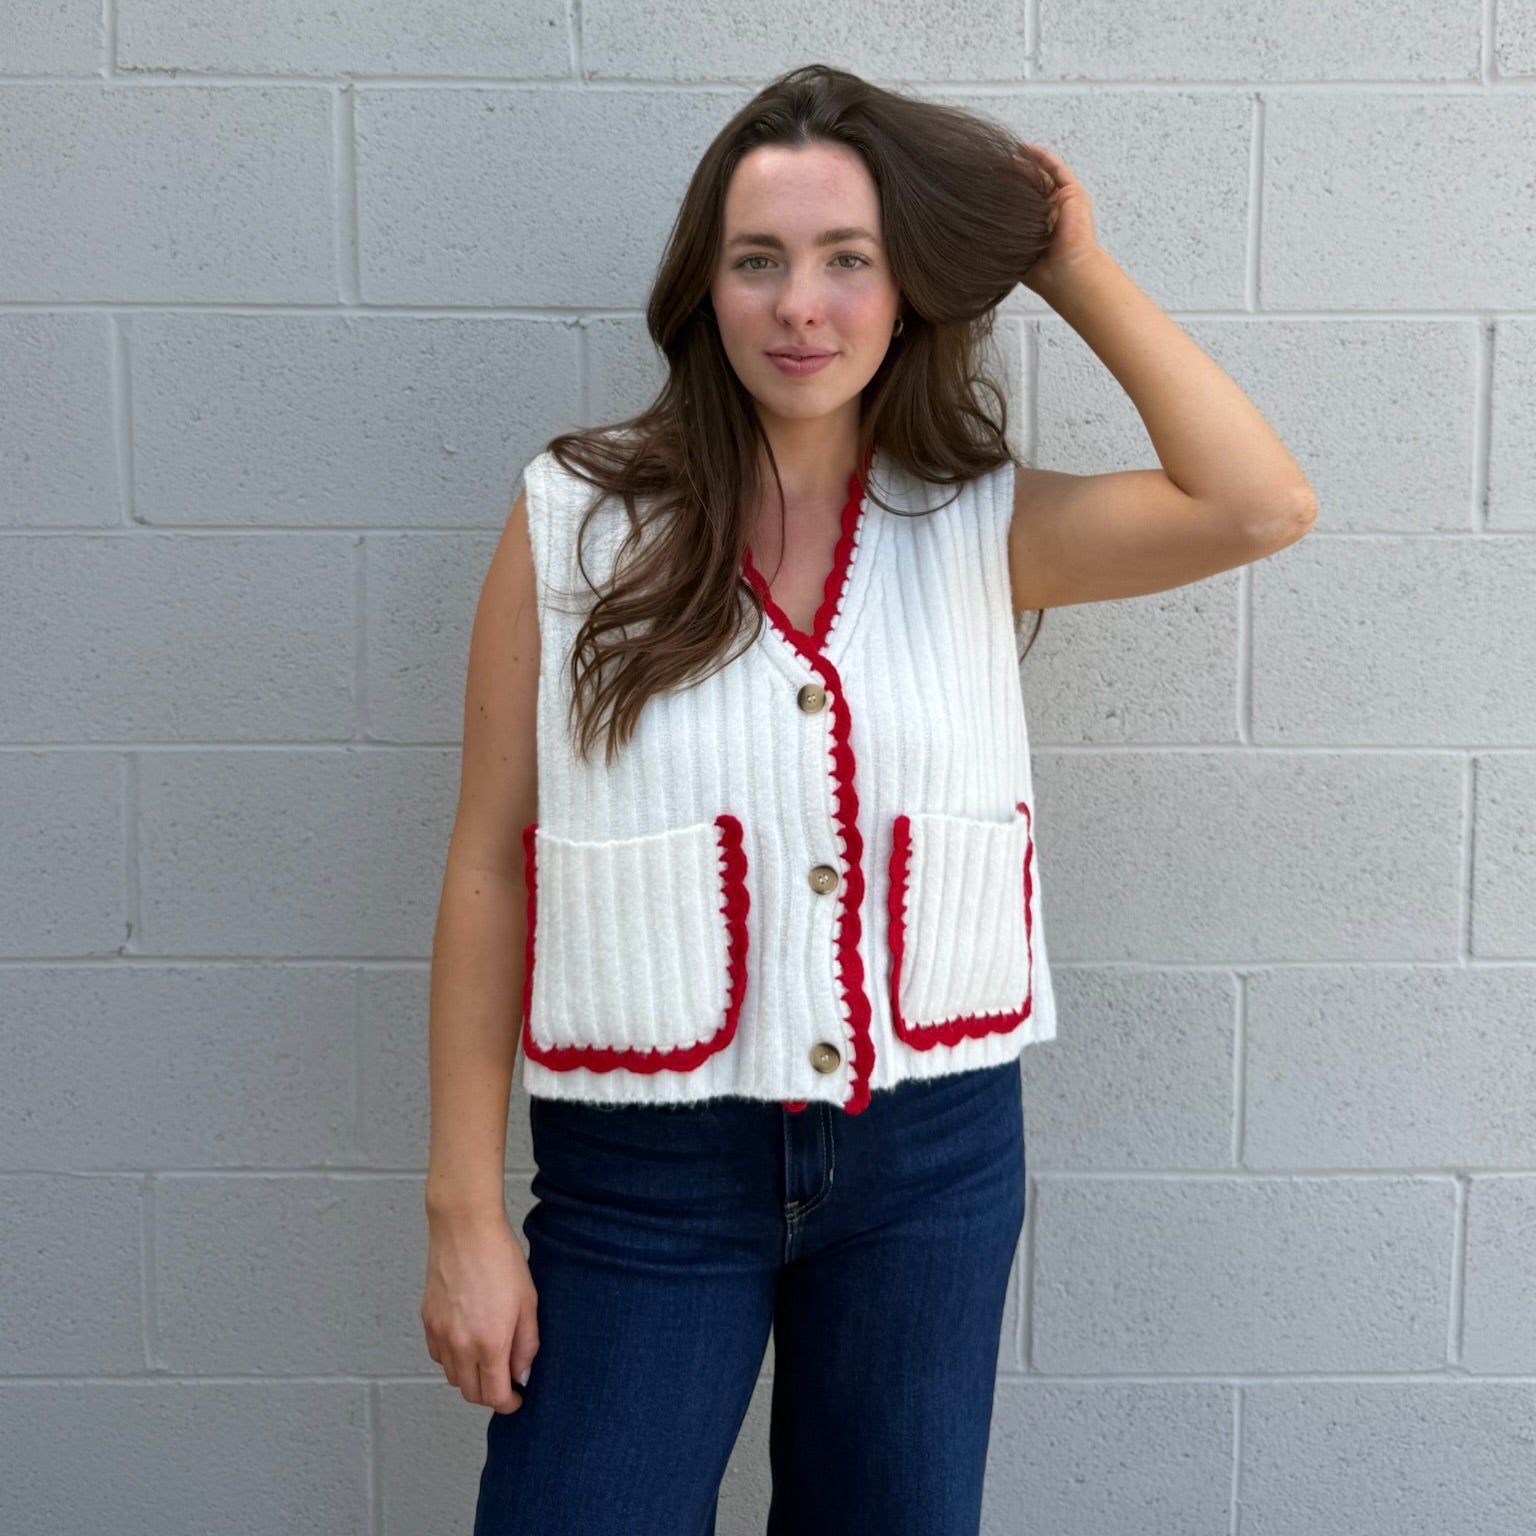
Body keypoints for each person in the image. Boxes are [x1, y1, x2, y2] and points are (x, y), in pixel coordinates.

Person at [420, 62, 1317, 1536]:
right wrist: (462, 1206)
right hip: (646, 1169)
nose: (801, 306)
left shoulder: (974, 524)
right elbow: (491, 865)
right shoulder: (575, 519)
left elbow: (1256, 502)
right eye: (758, 261)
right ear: (702, 289)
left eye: (853, 262)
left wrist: (1068, 264)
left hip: (931, 1157)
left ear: (910, 294)